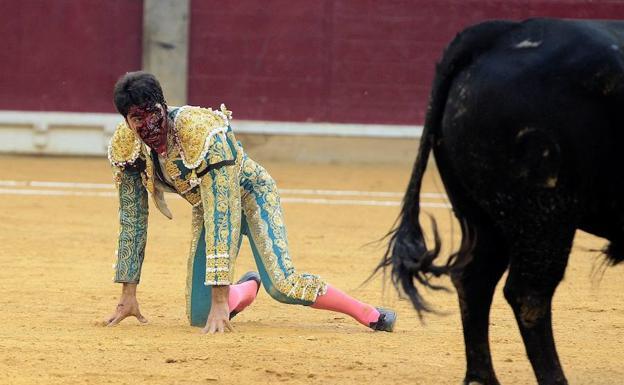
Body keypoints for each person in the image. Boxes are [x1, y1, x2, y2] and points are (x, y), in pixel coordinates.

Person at [105, 71, 396, 334]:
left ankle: (369, 313)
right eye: (137, 118)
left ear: (164, 107)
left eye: (152, 113)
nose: (149, 124)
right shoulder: (126, 145)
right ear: (126, 122)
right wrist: (128, 295)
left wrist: (220, 302)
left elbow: (224, 213)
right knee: (200, 315)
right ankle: (245, 289)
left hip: (250, 195)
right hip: (208, 205)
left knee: (283, 285)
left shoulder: (201, 132)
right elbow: (132, 219)